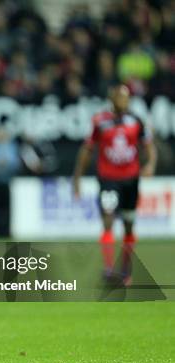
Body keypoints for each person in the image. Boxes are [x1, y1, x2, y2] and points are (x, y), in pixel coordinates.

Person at [73, 84, 157, 287]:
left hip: (130, 179)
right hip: (108, 178)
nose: (123, 100)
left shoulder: (136, 121)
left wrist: (150, 164)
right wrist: (77, 177)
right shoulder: (100, 122)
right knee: (108, 219)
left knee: (129, 224)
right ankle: (109, 268)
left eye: (126, 97)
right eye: (119, 97)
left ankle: (126, 269)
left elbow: (148, 145)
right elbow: (87, 149)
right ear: (112, 99)